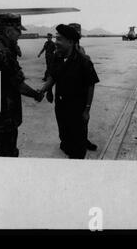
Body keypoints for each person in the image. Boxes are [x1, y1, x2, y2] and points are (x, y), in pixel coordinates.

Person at [0, 13, 44, 157]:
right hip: (3, 113)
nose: (20, 34)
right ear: (8, 31)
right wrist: (37, 94)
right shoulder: (2, 52)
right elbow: (19, 85)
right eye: (18, 31)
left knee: (2, 149)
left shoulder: (0, 47)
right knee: (7, 152)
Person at [40, 24, 99, 159]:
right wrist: (44, 90)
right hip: (60, 106)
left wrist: (87, 110)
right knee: (64, 134)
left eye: (59, 39)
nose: (56, 42)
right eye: (56, 38)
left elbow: (91, 85)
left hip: (77, 109)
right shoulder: (57, 56)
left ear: (70, 42)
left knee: (77, 146)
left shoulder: (84, 61)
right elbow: (53, 76)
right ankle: (66, 145)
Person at [68, 23, 98, 151]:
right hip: (68, 93)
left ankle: (83, 141)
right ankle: (69, 142)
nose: (77, 35)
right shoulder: (63, 51)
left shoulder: (82, 51)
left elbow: (90, 81)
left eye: (78, 32)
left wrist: (87, 107)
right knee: (69, 120)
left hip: (81, 93)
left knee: (83, 120)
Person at [37, 33, 56, 102]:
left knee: (50, 68)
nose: (48, 38)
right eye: (48, 37)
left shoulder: (53, 44)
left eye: (50, 37)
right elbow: (43, 49)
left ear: (51, 37)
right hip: (47, 57)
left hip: (51, 57)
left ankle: (47, 78)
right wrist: (39, 53)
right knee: (48, 67)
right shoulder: (46, 43)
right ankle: (47, 77)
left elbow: (56, 50)